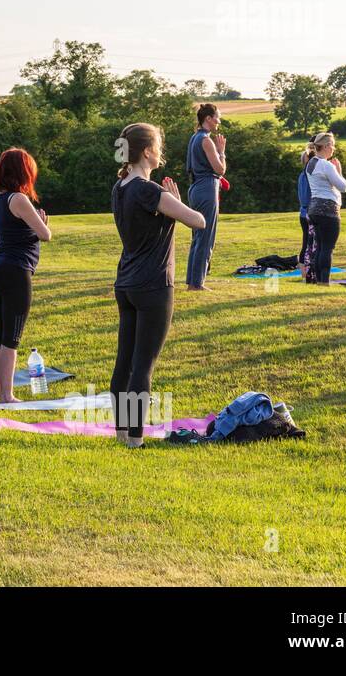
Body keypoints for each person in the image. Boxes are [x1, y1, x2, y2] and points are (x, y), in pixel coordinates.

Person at [110, 123, 207, 448]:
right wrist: (176, 203)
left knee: (125, 361)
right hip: (153, 285)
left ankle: (123, 432)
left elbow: (155, 226)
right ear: (149, 152)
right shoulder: (149, 191)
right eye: (159, 146)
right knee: (143, 366)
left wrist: (171, 207)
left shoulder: (120, 186)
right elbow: (198, 220)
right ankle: (135, 439)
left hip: (126, 283)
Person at [0, 148, 52, 403]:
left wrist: (36, 224)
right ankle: (7, 394)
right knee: (11, 338)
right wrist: (43, 223)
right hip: (16, 270)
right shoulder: (19, 199)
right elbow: (45, 235)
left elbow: (20, 230)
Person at [185, 103, 226, 290]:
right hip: (207, 187)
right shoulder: (206, 140)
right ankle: (197, 283)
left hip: (195, 188)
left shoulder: (194, 137)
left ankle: (192, 281)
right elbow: (220, 169)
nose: (219, 121)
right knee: (206, 237)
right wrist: (221, 152)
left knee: (198, 236)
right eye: (217, 117)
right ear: (208, 118)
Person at [304, 132, 346, 285]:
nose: (333, 149)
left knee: (320, 247)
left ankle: (318, 281)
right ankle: (324, 282)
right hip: (328, 210)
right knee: (327, 248)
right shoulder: (326, 164)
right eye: (332, 145)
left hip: (314, 209)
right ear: (326, 146)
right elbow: (343, 187)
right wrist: (339, 171)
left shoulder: (311, 163)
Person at [297, 146, 314, 278]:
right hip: (308, 213)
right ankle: (306, 272)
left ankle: (304, 273)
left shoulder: (302, 175)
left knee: (306, 243)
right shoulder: (309, 176)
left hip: (303, 213)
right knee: (309, 244)